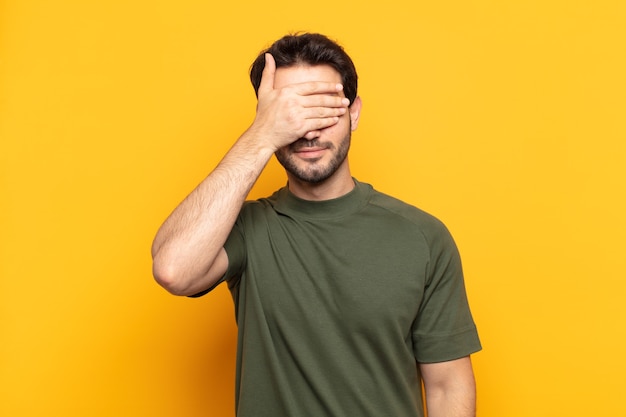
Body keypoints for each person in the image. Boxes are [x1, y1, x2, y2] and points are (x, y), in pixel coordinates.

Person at [152, 32, 481, 417]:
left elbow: (447, 385)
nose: (308, 131)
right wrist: (262, 136)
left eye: (322, 110)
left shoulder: (423, 237)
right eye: (291, 114)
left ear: (353, 112)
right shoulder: (246, 229)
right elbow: (173, 270)